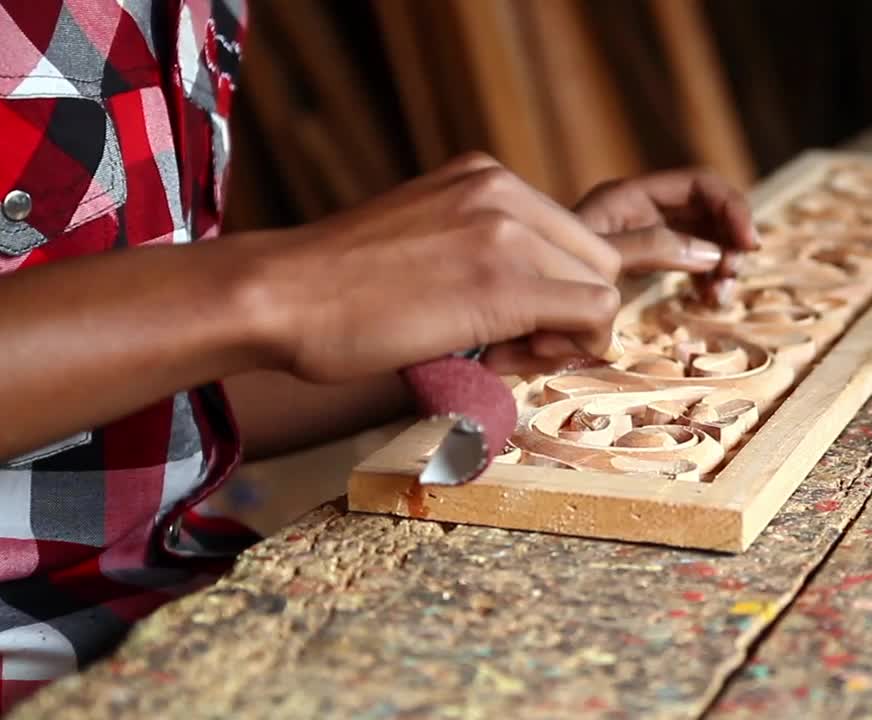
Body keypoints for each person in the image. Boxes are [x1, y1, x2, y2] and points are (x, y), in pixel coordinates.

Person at [0, 0, 756, 708]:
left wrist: (494, 314)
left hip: (183, 608)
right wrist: (274, 289)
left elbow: (133, 405)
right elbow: (243, 308)